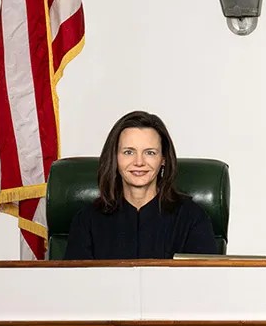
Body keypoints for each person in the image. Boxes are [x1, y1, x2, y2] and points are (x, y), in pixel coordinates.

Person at [65, 111, 217, 259]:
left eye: (150, 153)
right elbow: (74, 276)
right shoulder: (86, 221)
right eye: (128, 152)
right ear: (115, 157)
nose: (139, 162)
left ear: (163, 159)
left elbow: (204, 276)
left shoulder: (192, 218)